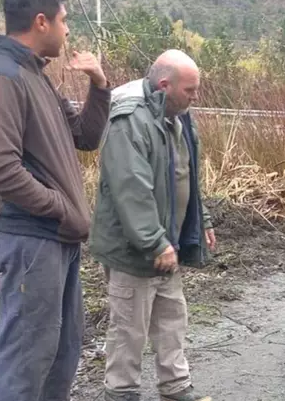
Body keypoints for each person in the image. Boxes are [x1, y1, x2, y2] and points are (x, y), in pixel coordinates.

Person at [0, 0, 110, 398]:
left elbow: (86, 136)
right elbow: (0, 170)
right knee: (25, 362)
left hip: (57, 240)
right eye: (64, 20)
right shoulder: (1, 78)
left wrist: (99, 85)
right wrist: (61, 209)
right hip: (32, 241)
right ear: (42, 22)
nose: (68, 30)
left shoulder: (36, 76)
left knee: (61, 356)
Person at [88, 49, 215, 401]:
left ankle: (176, 388)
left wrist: (201, 219)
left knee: (172, 318)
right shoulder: (130, 118)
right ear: (164, 85)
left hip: (166, 241)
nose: (195, 96)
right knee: (129, 328)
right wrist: (154, 241)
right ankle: (121, 392)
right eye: (190, 90)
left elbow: (185, 174)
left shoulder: (177, 115)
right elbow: (131, 187)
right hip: (134, 247)